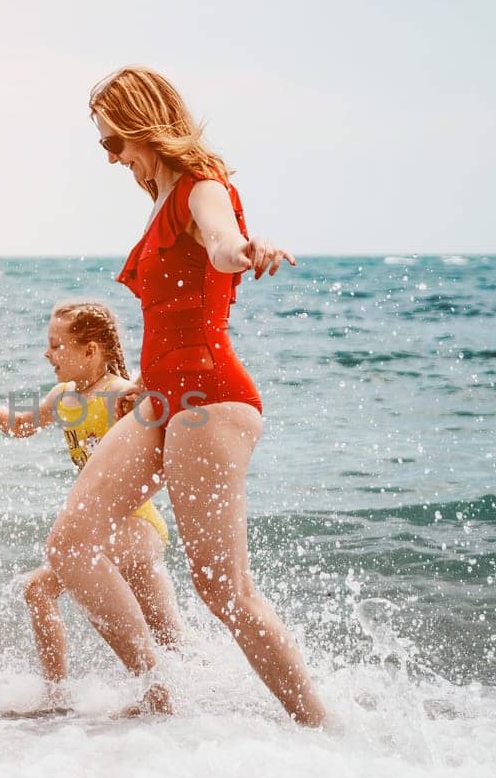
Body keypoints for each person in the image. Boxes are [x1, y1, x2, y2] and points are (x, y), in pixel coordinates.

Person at [43, 66, 327, 724]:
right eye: (105, 148)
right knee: (72, 543)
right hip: (162, 398)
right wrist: (142, 382)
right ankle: (162, 693)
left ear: (145, 126)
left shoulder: (202, 189)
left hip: (209, 398)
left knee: (224, 590)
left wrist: (246, 248)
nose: (114, 160)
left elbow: (224, 244)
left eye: (116, 144)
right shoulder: (159, 202)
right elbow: (172, 316)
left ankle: (322, 729)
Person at [0, 299, 181, 698]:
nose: (47, 353)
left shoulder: (121, 395)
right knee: (173, 640)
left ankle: (85, 695)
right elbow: (20, 426)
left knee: (43, 585)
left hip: (136, 524)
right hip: (109, 530)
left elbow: (162, 407)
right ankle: (202, 703)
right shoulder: (65, 397)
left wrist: (143, 383)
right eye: (48, 344)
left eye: (57, 345)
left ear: (90, 350)